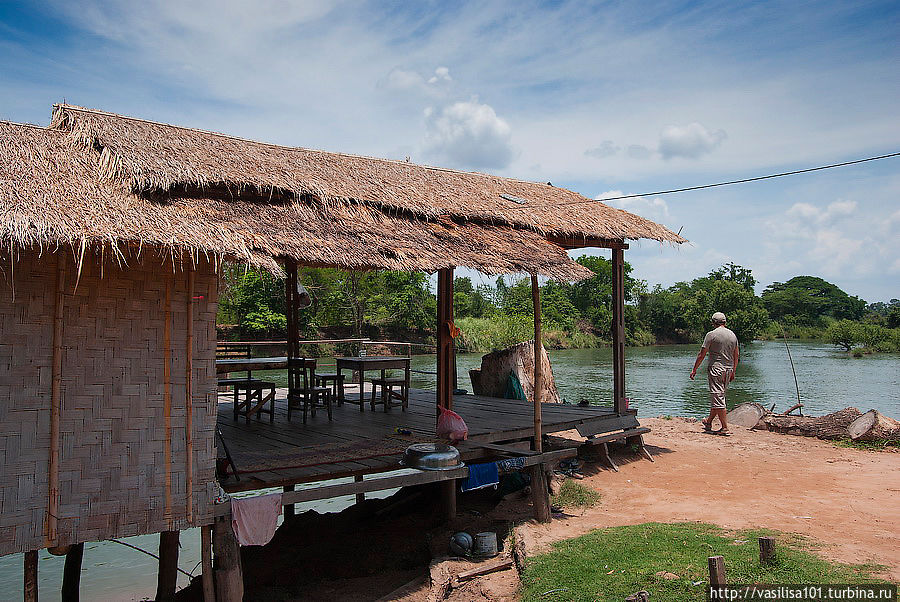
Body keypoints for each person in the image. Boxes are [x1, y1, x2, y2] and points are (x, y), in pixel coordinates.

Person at [690, 311, 739, 435]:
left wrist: (694, 369)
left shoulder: (711, 335)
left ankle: (724, 427)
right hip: (728, 369)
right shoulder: (732, 335)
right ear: (725, 322)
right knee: (718, 396)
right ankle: (709, 421)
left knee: (718, 398)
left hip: (716, 369)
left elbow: (702, 354)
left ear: (713, 323)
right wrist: (733, 370)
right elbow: (736, 354)